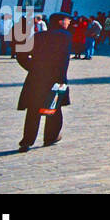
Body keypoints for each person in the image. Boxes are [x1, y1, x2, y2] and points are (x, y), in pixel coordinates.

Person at [15, 12, 73, 150]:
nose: (69, 23)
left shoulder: (38, 36)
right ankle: (50, 137)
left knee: (33, 111)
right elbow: (62, 61)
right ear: (60, 22)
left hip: (36, 79)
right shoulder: (65, 36)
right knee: (54, 108)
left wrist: (33, 68)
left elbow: (21, 55)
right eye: (67, 20)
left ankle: (27, 141)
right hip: (55, 78)